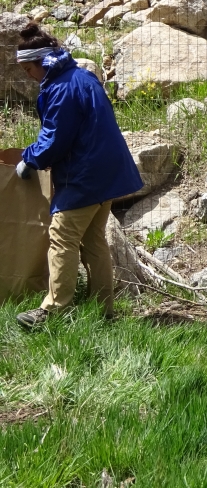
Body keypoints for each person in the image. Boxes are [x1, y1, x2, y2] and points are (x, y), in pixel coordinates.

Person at [13, 22, 143, 330]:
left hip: (84, 174)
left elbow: (56, 138)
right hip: (108, 173)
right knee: (93, 239)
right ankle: (103, 309)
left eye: (29, 70)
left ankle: (54, 310)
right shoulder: (82, 76)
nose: (28, 77)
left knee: (62, 237)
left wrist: (29, 158)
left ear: (42, 63)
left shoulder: (60, 89)